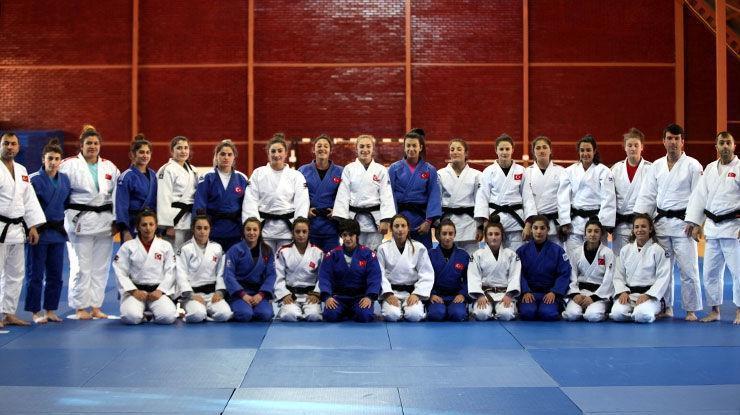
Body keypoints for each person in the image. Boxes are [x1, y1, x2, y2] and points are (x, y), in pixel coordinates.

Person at [633, 123, 703, 320]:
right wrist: (640, 221)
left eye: (676, 139)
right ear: (663, 141)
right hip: (661, 224)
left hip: (684, 225)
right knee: (663, 270)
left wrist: (695, 223)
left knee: (689, 269)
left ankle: (691, 309)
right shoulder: (656, 166)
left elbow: (699, 196)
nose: (673, 142)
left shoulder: (693, 165)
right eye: (669, 138)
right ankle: (666, 306)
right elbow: (647, 195)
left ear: (682, 141)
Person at [60, 125, 120, 320]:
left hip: (105, 222)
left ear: (100, 145)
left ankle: (95, 306)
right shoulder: (68, 165)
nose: (92, 146)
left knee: (101, 267)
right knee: (81, 266)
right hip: (80, 220)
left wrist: (117, 220)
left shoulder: (109, 167)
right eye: (89, 143)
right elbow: (58, 190)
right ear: (81, 145)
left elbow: (118, 195)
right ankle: (80, 307)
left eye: (95, 143)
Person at [686, 131, 739, 324]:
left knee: (738, 273)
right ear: (716, 147)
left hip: (734, 228)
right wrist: (694, 222)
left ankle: (739, 310)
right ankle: (715, 310)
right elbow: (699, 197)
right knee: (710, 273)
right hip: (713, 229)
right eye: (721, 143)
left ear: (734, 146)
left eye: (728, 143)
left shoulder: (739, 168)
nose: (725, 146)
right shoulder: (709, 168)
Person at [0, 132, 45, 327]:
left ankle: (8, 313)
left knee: (16, 274)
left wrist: (32, 225)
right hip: (0, 227)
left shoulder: (22, 170)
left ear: (18, 147)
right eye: (6, 143)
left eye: (13, 144)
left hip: (17, 229)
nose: (10, 147)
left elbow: (29, 200)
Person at [25, 139, 71, 324]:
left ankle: (51, 310)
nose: (53, 162)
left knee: (56, 274)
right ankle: (35, 311)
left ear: (61, 161)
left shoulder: (65, 179)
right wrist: (32, 227)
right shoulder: (33, 179)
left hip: (57, 233)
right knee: (35, 274)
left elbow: (65, 203)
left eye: (57, 158)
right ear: (43, 159)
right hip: (39, 232)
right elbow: (27, 206)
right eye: (50, 158)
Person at [243, 133, 309, 253]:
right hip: (264, 229)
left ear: (286, 153)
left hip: (288, 230)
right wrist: (253, 226)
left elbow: (302, 203)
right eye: (273, 151)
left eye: (280, 151)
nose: (276, 154)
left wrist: (299, 227)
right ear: (268, 153)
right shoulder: (258, 173)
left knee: (286, 262)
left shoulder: (296, 176)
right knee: (265, 261)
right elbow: (250, 201)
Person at [557, 134, 616, 261]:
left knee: (598, 259)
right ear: (578, 152)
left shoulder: (604, 171)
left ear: (594, 151)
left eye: (588, 150)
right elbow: (563, 198)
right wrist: (564, 221)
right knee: (573, 259)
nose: (585, 154)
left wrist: (604, 224)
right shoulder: (569, 171)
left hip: (596, 222)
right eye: (582, 150)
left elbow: (608, 198)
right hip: (575, 224)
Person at [113, 210, 178, 325]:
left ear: (156, 226)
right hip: (136, 292)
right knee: (130, 317)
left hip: (157, 292)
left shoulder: (165, 246)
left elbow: (171, 271)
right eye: (144, 225)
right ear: (138, 227)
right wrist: (134, 291)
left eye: (151, 224)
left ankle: (149, 313)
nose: (148, 228)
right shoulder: (128, 246)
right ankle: (143, 315)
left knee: (168, 317)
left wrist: (160, 290)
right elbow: (120, 271)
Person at [332, 134, 395, 250]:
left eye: (368, 146)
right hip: (354, 220)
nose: (365, 150)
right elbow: (343, 195)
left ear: (373, 148)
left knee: (374, 253)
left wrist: (385, 220)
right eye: (361, 146)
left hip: (375, 220)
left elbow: (386, 196)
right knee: (354, 252)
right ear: (356, 149)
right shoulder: (349, 169)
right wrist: (344, 221)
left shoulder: (381, 170)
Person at [475, 134, 536, 251]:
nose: (504, 152)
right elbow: (482, 198)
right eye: (501, 149)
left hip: (516, 221)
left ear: (512, 150)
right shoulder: (488, 171)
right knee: (495, 255)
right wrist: (485, 223)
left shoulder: (521, 171)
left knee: (516, 255)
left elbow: (528, 197)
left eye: (507, 149)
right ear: (496, 150)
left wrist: (528, 224)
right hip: (495, 220)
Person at [609, 214, 671, 323]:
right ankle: (635, 311)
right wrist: (622, 291)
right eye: (636, 227)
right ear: (633, 230)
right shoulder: (625, 250)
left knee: (642, 315)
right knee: (617, 314)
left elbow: (663, 277)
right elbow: (618, 275)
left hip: (649, 297)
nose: (640, 230)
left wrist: (648, 295)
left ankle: (644, 311)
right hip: (629, 295)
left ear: (650, 229)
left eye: (643, 226)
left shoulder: (658, 250)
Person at [319, 219, 381, 322]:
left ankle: (350, 312)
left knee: (365, 316)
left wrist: (369, 297)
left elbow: (374, 277)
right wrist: (328, 297)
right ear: (341, 236)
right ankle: (348, 312)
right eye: (344, 235)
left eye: (351, 235)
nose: (347, 238)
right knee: (330, 315)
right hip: (339, 297)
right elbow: (325, 277)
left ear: (357, 235)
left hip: (360, 298)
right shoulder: (332, 255)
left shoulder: (368, 254)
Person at [388, 130, 441, 249]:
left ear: (420, 147)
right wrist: (393, 221)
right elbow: (389, 196)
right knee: (399, 253)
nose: (411, 149)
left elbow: (434, 196)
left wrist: (428, 221)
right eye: (408, 145)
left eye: (414, 145)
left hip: (421, 220)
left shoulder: (430, 170)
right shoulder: (394, 169)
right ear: (404, 147)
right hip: (400, 219)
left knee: (423, 253)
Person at [377, 214, 435, 322]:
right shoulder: (382, 248)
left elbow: (426, 273)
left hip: (411, 292)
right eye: (396, 226)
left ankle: (408, 308)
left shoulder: (419, 247)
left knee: (415, 316)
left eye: (403, 226)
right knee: (392, 315)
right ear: (391, 229)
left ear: (408, 228)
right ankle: (395, 309)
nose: (400, 229)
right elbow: (379, 274)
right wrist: (388, 294)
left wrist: (417, 294)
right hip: (391, 292)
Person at [193, 140, 249, 252]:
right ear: (216, 156)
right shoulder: (207, 177)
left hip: (235, 231)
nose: (226, 157)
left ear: (234, 157)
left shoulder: (242, 178)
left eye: (229, 154)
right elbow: (200, 204)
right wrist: (199, 228)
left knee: (233, 260)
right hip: (213, 229)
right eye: (222, 154)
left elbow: (247, 207)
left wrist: (246, 228)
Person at [176, 215, 233, 323]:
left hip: (212, 294)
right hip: (192, 294)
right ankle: (191, 312)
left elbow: (221, 272)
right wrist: (191, 295)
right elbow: (180, 274)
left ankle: (205, 314)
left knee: (225, 314)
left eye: (205, 228)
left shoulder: (217, 248)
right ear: (193, 229)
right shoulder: (185, 248)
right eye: (199, 228)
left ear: (210, 229)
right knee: (197, 314)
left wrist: (220, 292)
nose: (202, 231)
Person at [517, 215, 572, 321]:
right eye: (535, 228)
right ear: (531, 229)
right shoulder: (522, 251)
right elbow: (518, 273)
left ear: (548, 230)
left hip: (549, 293)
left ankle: (552, 306)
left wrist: (554, 292)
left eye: (542, 228)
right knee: (527, 313)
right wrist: (525, 291)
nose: (539, 231)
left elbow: (564, 273)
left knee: (548, 314)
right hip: (529, 292)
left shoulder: (558, 251)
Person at [561, 217, 615, 322]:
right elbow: (572, 275)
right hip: (580, 292)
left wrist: (594, 297)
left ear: (601, 234)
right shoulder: (577, 252)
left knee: (593, 316)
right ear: (585, 234)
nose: (592, 234)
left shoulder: (608, 253)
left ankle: (603, 311)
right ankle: (580, 308)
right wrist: (575, 294)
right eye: (589, 231)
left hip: (599, 294)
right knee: (572, 315)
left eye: (596, 231)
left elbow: (609, 278)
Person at [468, 216, 520, 321]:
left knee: (506, 315)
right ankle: (487, 310)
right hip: (484, 295)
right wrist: (479, 295)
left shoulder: (511, 254)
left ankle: (500, 311)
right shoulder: (477, 255)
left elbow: (515, 276)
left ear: (502, 236)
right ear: (486, 237)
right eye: (490, 234)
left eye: (497, 234)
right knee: (481, 315)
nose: (494, 237)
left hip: (504, 294)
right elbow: (473, 276)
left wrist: (509, 294)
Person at [223, 217, 276, 322]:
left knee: (265, 315)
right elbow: (228, 275)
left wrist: (261, 295)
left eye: (255, 229)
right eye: (248, 229)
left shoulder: (267, 250)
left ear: (259, 232)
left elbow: (271, 275)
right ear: (243, 231)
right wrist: (243, 295)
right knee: (245, 314)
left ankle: (255, 308)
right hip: (239, 293)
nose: (251, 233)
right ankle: (239, 307)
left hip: (259, 292)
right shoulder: (234, 250)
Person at [610, 128, 652, 256]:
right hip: (620, 226)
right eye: (629, 145)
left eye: (636, 145)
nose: (633, 148)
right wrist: (609, 222)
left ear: (642, 147)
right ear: (625, 147)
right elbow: (609, 198)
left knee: (642, 261)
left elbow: (654, 198)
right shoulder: (615, 169)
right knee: (619, 261)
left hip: (641, 226)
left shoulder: (650, 169)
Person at [298, 134, 343, 252]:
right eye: (319, 146)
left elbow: (345, 196)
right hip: (310, 226)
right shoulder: (302, 171)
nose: (322, 148)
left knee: (332, 260)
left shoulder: (340, 172)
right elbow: (295, 196)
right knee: (310, 261)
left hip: (331, 226)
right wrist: (304, 211)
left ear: (330, 150)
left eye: (326, 146)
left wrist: (338, 211)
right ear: (313, 149)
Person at [438, 138, 482, 254]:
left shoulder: (477, 175)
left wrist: (480, 227)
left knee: (471, 259)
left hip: (470, 224)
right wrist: (437, 225)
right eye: (452, 149)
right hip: (448, 223)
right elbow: (437, 201)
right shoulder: (440, 174)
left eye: (459, 149)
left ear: (466, 153)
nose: (455, 152)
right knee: (449, 258)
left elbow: (480, 203)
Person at [274, 218, 324, 322]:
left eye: (304, 231)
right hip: (290, 295)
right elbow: (278, 276)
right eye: (297, 231)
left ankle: (306, 310)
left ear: (309, 233)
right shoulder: (283, 251)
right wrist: (284, 294)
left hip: (310, 295)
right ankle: (286, 309)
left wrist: (316, 293)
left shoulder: (317, 252)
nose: (301, 235)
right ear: (292, 233)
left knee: (314, 316)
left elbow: (323, 277)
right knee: (289, 315)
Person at [157, 136, 198, 251]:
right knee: (174, 255)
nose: (183, 151)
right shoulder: (166, 170)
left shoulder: (193, 170)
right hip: (175, 220)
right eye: (179, 148)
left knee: (189, 254)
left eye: (186, 148)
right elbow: (163, 198)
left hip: (190, 220)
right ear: (172, 151)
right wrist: (167, 226)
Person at [523, 136, 565, 245]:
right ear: (533, 151)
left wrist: (564, 222)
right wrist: (528, 224)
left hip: (555, 224)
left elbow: (565, 200)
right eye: (538, 148)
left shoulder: (561, 171)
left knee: (556, 253)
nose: (541, 150)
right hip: (535, 224)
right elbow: (526, 200)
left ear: (550, 150)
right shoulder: (526, 172)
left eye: (544, 147)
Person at [426, 219, 470, 322]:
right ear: (439, 235)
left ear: (455, 234)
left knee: (458, 315)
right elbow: (425, 277)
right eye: (444, 233)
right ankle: (441, 309)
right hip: (436, 295)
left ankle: (453, 309)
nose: (447, 237)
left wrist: (462, 294)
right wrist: (431, 294)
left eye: (450, 233)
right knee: (436, 315)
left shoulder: (463, 255)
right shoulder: (430, 254)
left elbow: (468, 279)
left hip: (455, 296)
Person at [115, 135, 157, 241]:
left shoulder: (153, 175)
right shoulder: (126, 176)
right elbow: (121, 205)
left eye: (148, 152)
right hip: (132, 224)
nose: (145, 155)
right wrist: (125, 231)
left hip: (150, 223)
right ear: (133, 154)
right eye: (141, 152)